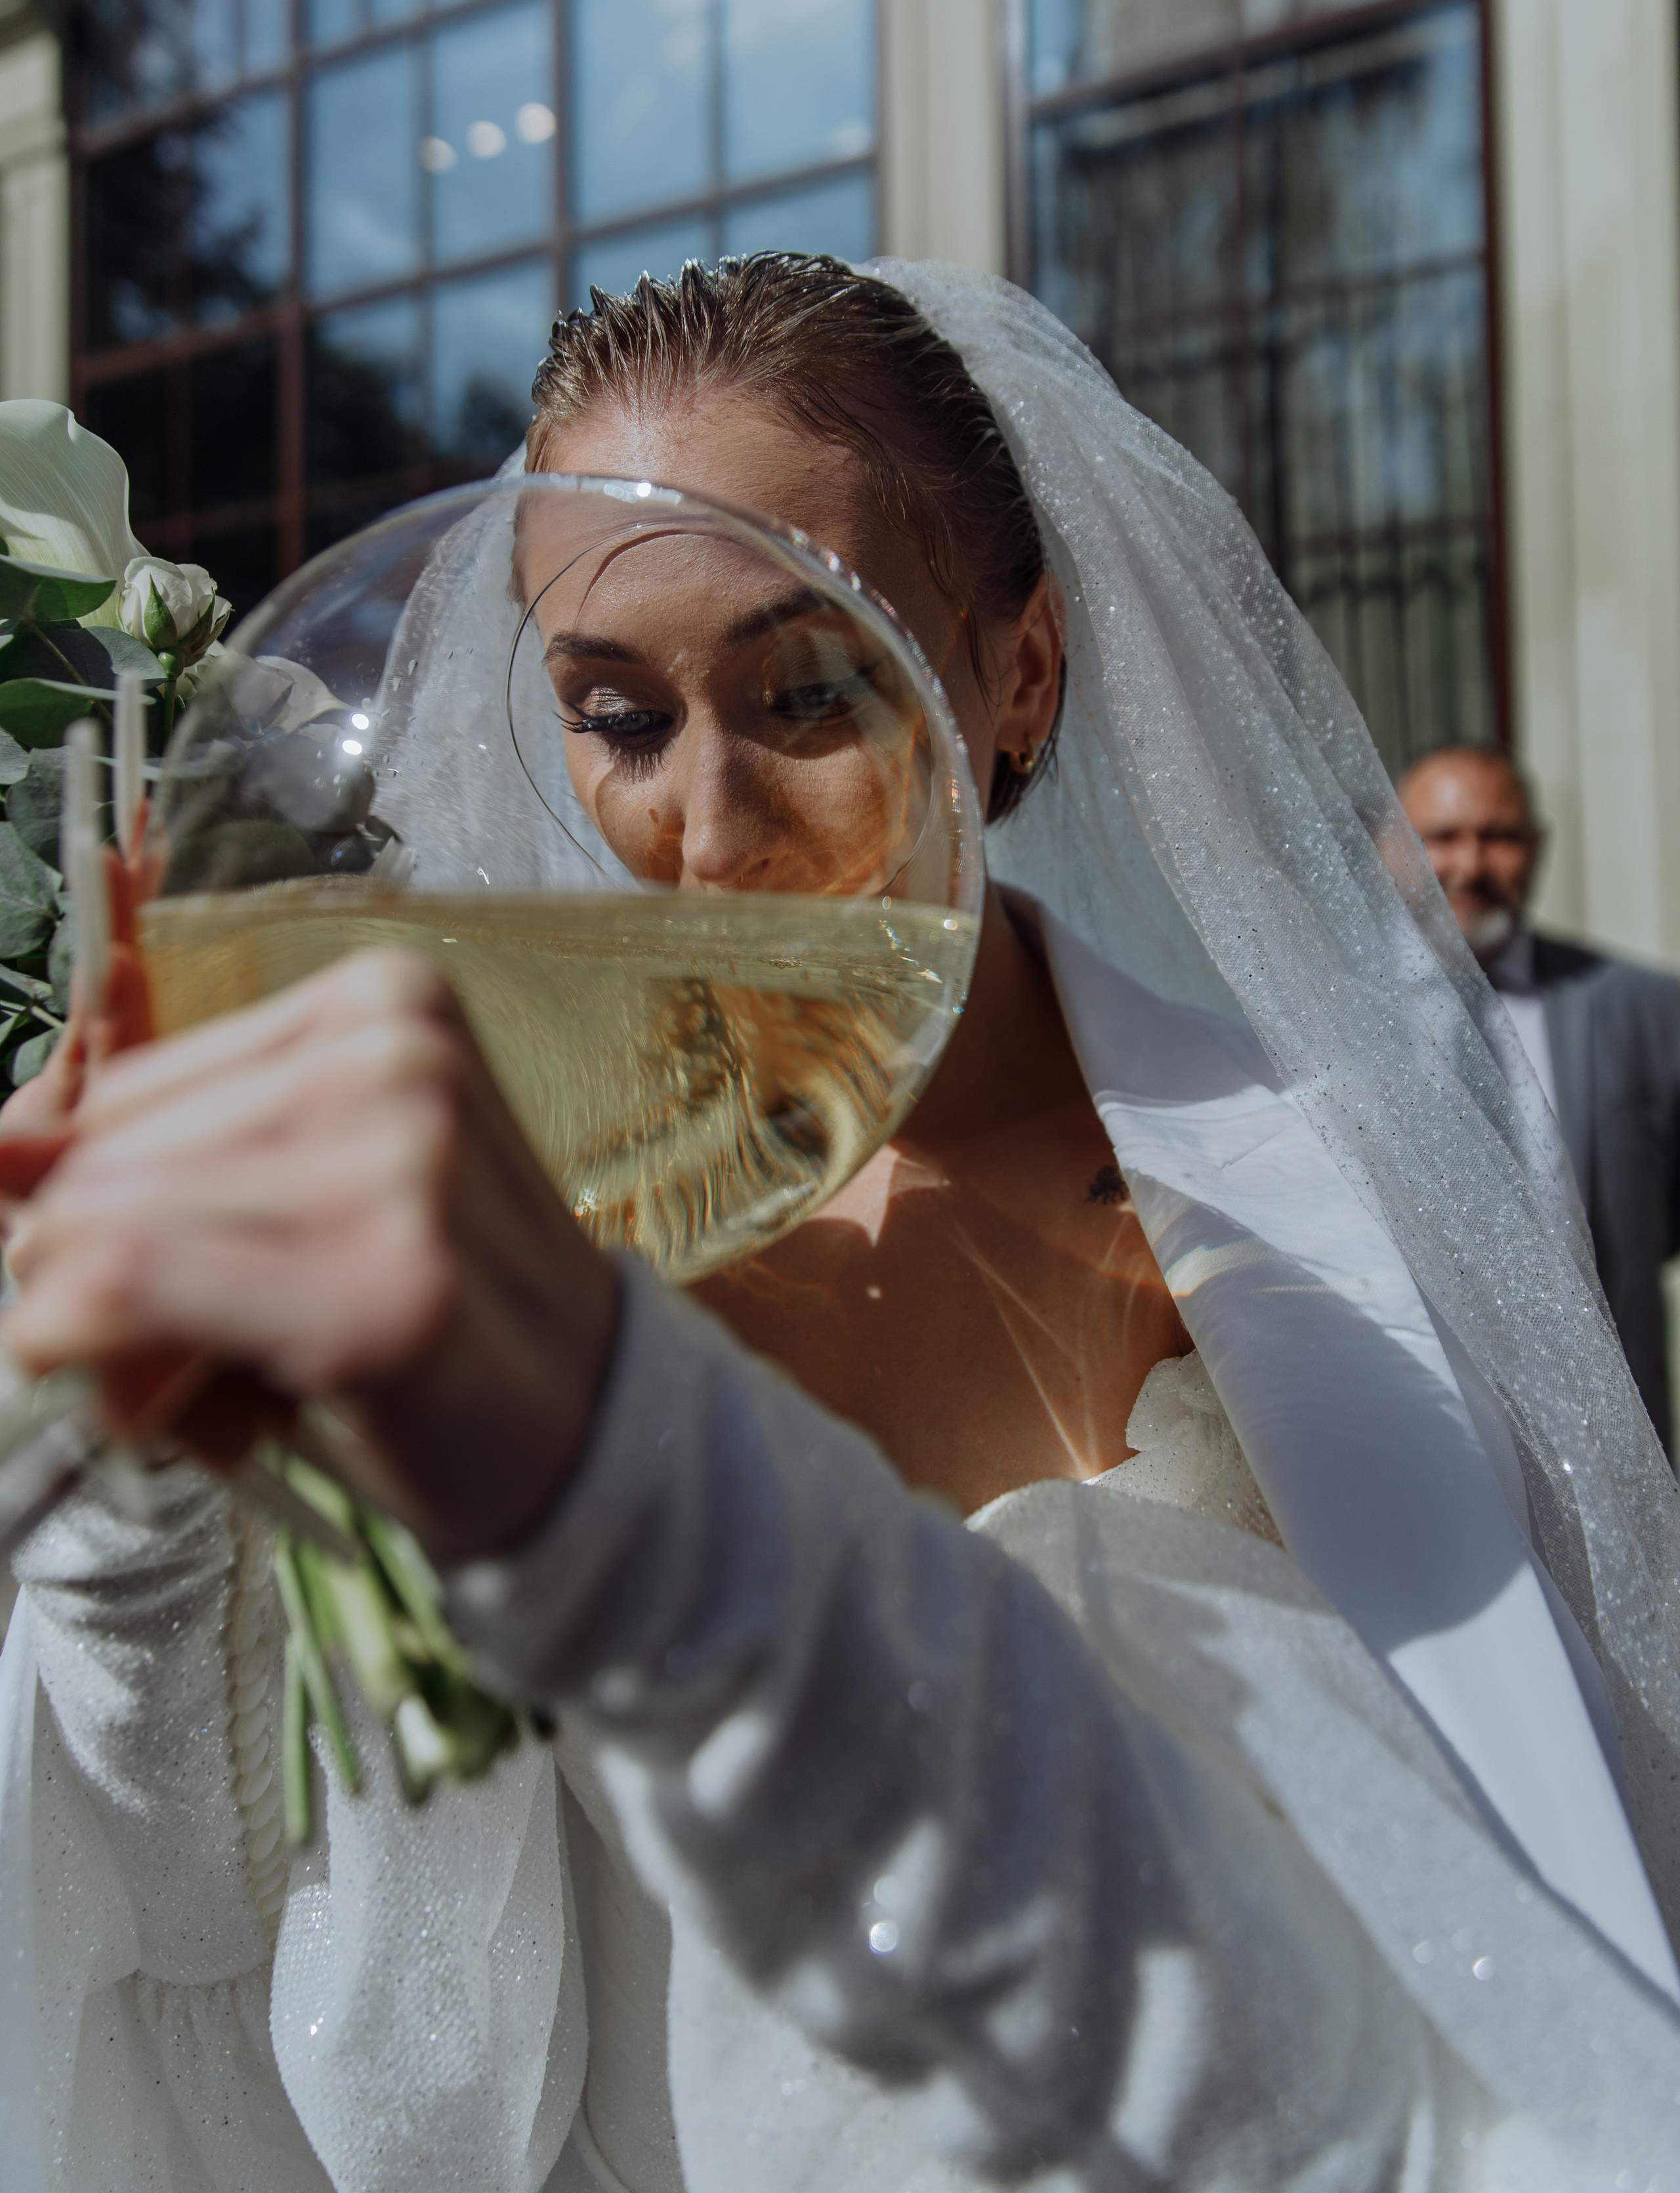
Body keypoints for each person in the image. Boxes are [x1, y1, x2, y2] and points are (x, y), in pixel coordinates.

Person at [1, 257, 1679, 2193]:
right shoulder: (490, 1220)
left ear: (1018, 671)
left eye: (806, 691)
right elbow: (215, 1925)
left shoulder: (1317, 1202)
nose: (709, 832)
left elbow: (1512, 1912)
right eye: (616, 715)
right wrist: (130, 1458)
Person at [1399, 739, 1680, 1453]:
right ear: (1390, 848)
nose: (1471, 865)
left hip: (1609, 1444)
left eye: (1498, 837)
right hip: (1416, 1434)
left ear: (1537, 847)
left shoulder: (1644, 1008)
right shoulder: (1331, 1020)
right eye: (1442, 837)